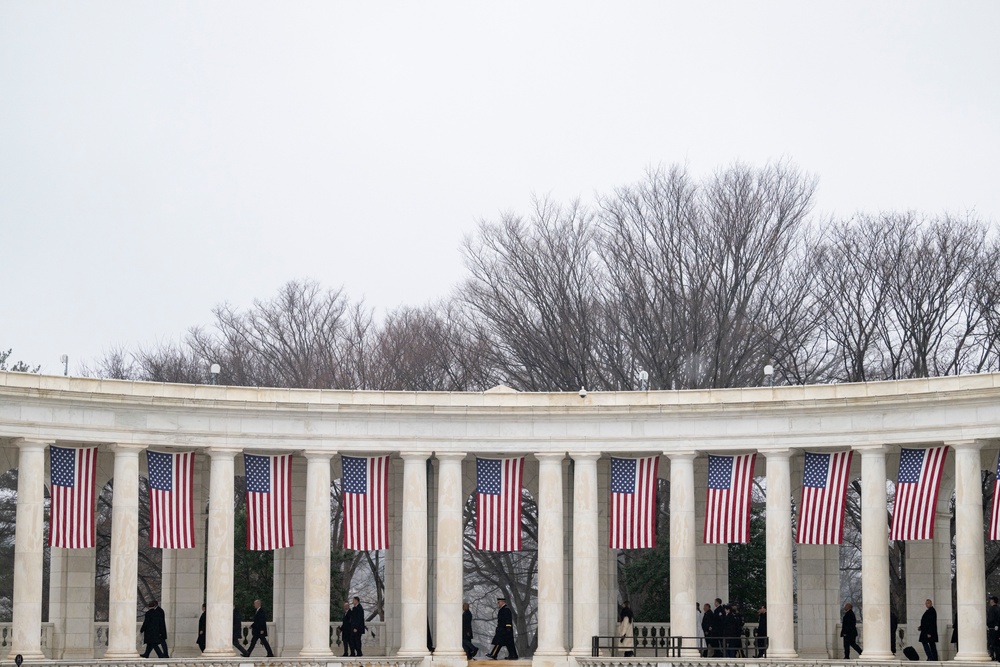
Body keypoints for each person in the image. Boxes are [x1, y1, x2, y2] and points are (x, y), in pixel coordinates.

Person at [988, 596, 1000, 660]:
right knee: (997, 644)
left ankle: (992, 656)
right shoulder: (998, 608)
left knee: (992, 643)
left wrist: (988, 624)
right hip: (997, 628)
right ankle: (998, 656)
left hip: (992, 628)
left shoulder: (992, 609)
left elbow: (990, 619)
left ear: (993, 601)